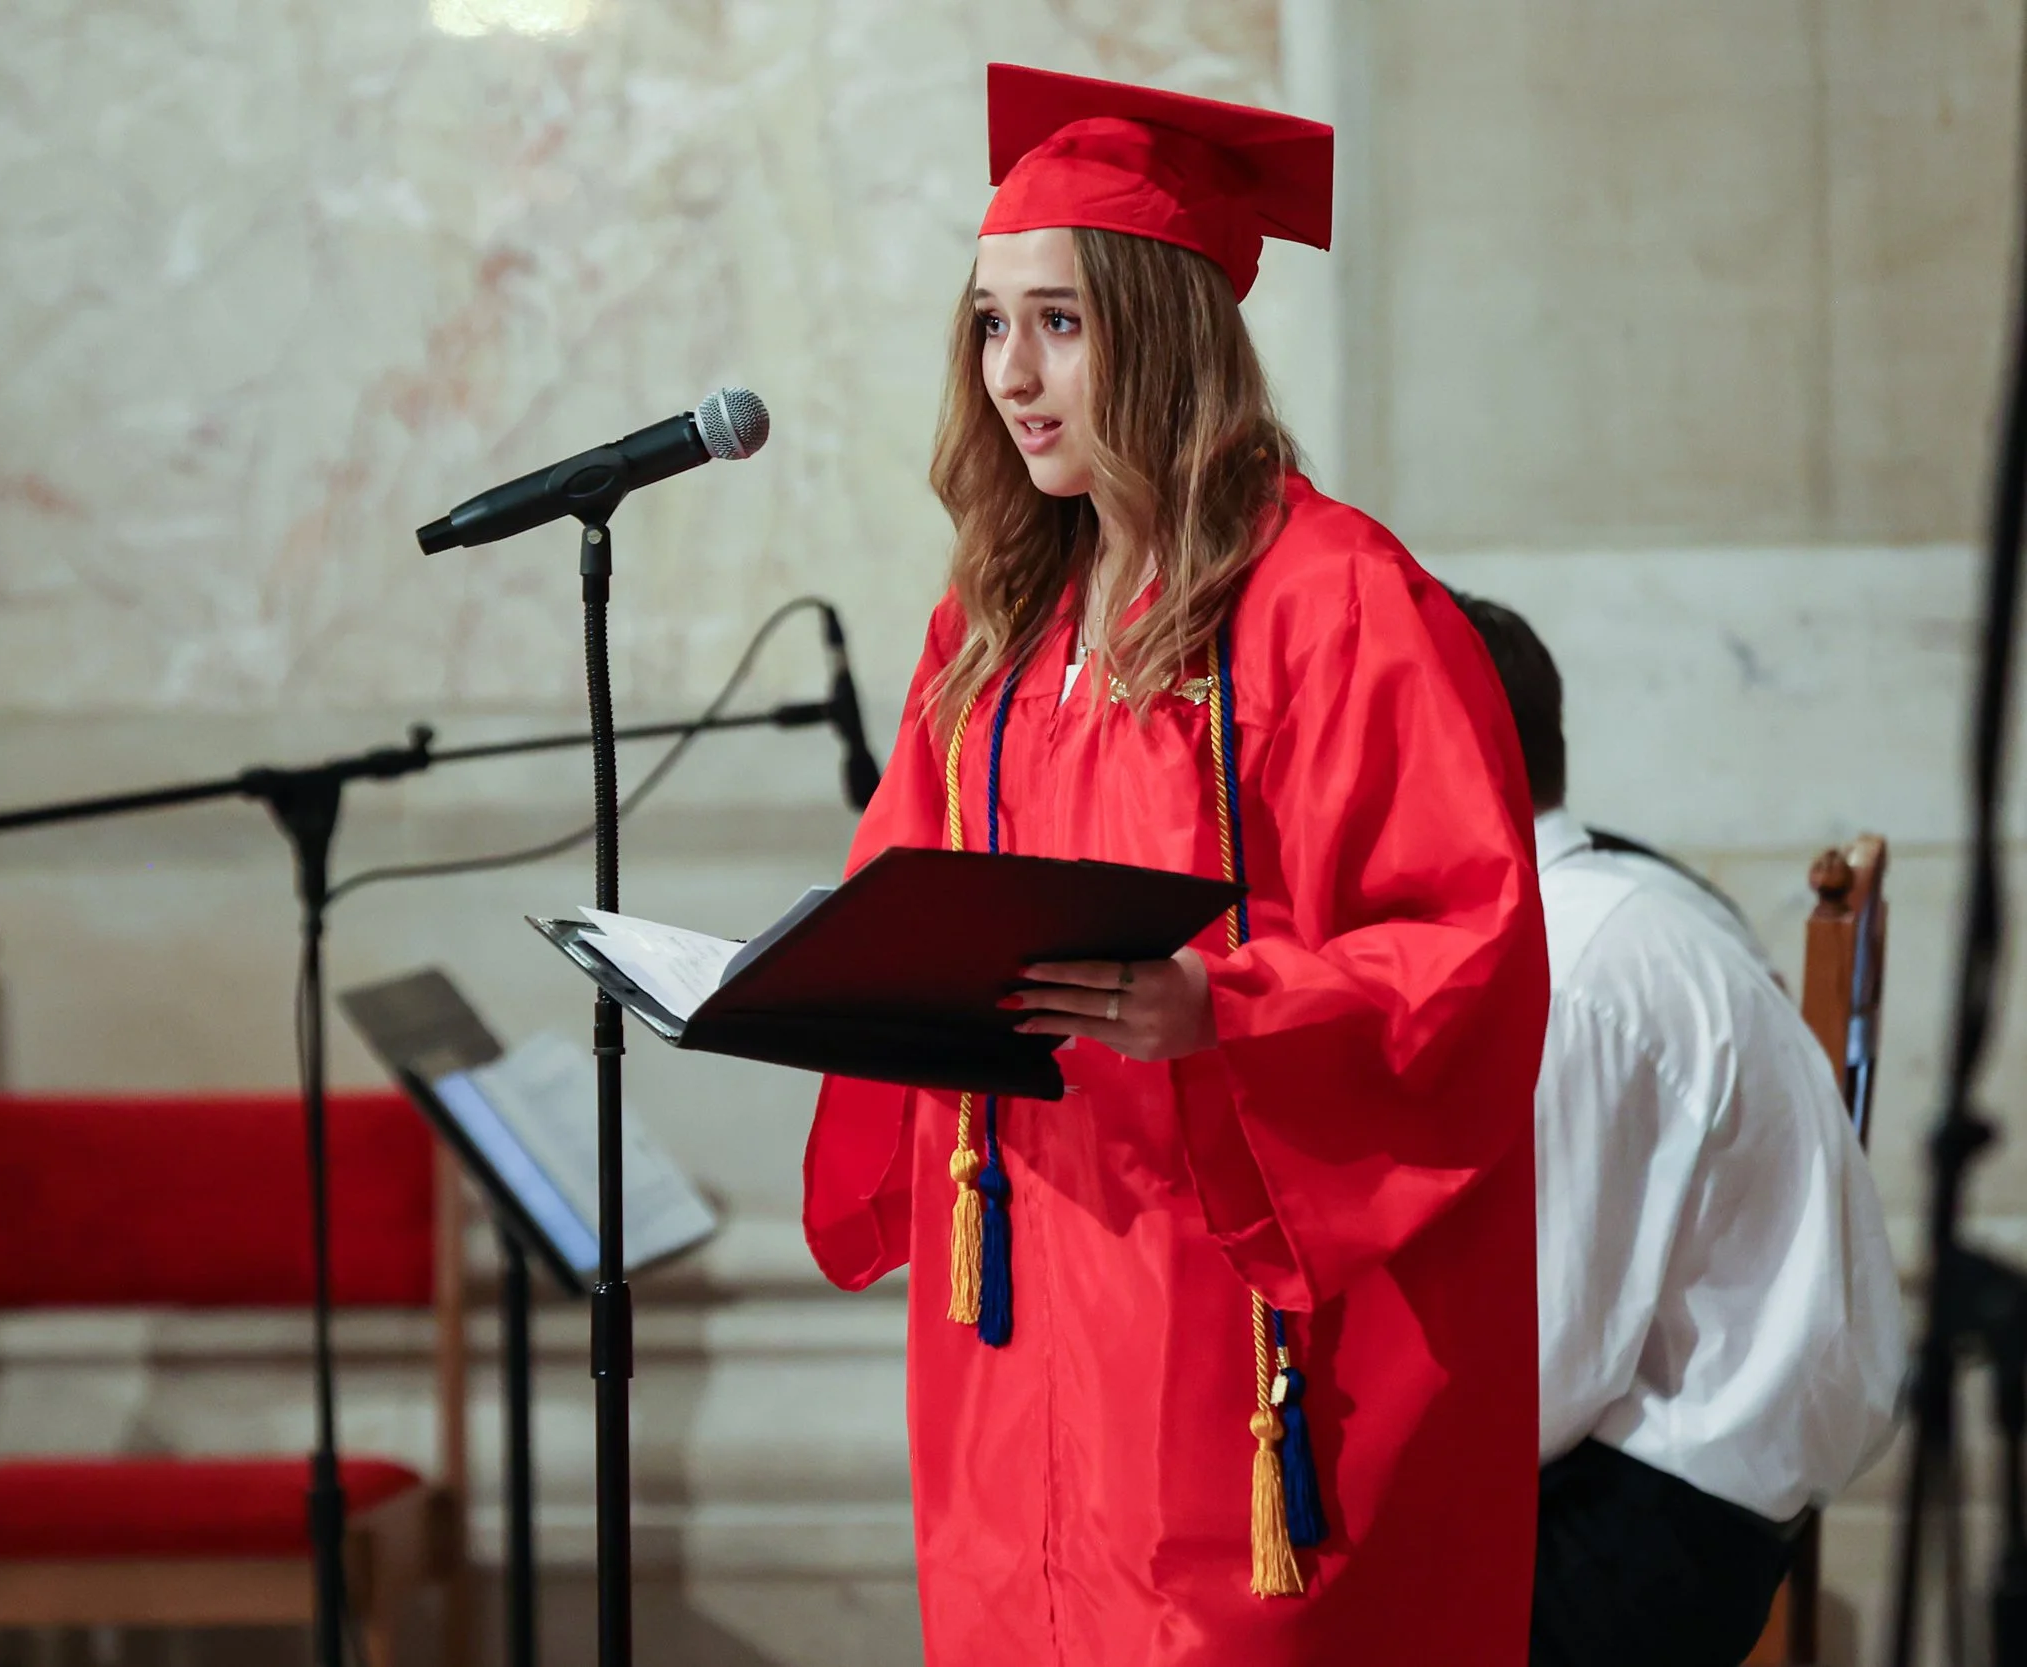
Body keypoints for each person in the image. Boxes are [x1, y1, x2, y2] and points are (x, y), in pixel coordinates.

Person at [801, 62, 1550, 1665]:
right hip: (1021, 1306)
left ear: (1165, 323)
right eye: (991, 322)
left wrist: (1229, 1003)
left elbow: (1465, 949)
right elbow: (901, 893)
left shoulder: (1335, 604)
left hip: (1228, 1317)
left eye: (1060, 320)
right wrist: (812, 981)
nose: (1013, 371)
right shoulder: (993, 625)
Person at [1454, 594, 1904, 1667]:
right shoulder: (1618, 900)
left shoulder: (1563, 968)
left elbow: (1538, 1376)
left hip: (1667, 1508)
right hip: (1705, 1459)